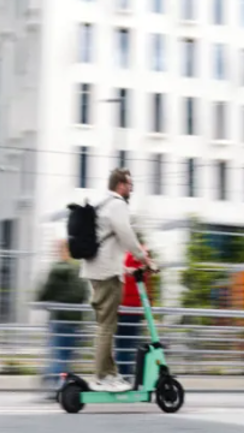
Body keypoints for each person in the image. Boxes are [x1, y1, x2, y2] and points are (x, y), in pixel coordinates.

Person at [79, 168, 152, 392]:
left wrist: (125, 268)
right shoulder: (118, 204)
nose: (131, 189)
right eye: (130, 185)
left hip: (98, 269)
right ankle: (103, 377)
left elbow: (108, 244)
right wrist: (145, 259)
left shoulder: (103, 203)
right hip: (107, 273)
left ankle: (110, 374)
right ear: (120, 185)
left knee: (106, 325)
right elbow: (126, 235)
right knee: (107, 326)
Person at [37, 254, 88, 388]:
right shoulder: (80, 271)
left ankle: (54, 385)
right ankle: (61, 385)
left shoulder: (56, 270)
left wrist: (41, 300)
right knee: (66, 356)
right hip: (75, 320)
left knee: (58, 355)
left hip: (58, 318)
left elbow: (46, 291)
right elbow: (83, 294)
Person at [115, 242, 150, 380]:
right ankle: (126, 376)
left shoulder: (125, 258)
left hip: (125, 310)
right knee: (128, 347)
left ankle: (124, 376)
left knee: (124, 347)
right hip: (132, 310)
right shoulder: (140, 259)